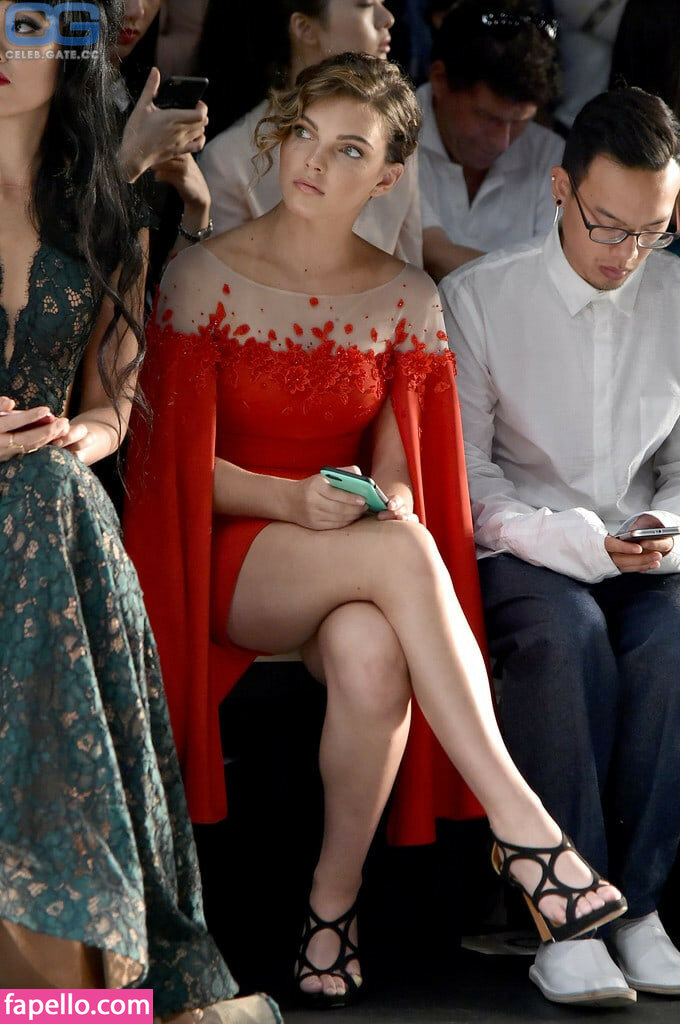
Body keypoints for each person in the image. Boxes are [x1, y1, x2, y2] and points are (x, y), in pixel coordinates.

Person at [124, 51, 626, 1009]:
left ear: (389, 177)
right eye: (304, 134)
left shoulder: (407, 296)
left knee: (371, 650)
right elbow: (167, 473)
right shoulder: (200, 276)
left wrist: (380, 499)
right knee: (400, 556)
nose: (313, 160)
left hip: (351, 559)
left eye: (349, 149)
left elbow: (403, 474)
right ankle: (525, 828)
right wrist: (290, 501)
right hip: (231, 554)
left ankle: (333, 905)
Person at [0, 3, 279, 1021]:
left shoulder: (106, 211)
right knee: (51, 503)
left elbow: (113, 401)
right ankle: (69, 989)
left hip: (50, 503)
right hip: (41, 519)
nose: (3, 48)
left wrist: (84, 437)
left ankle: (61, 991)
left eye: (27, 24)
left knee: (56, 490)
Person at [441, 86, 680, 1007]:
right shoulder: (480, 299)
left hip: (649, 550)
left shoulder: (675, 297)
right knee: (564, 638)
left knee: (671, 645)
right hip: (526, 548)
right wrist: (577, 544)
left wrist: (662, 530)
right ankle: (564, 919)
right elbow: (471, 483)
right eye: (607, 225)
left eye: (653, 230)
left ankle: (640, 909)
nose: (627, 253)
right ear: (559, 189)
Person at [199, 0, 423, 265]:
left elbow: (408, 265)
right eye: (364, 4)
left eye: (352, 150)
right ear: (305, 28)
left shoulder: (392, 138)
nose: (387, 18)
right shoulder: (229, 159)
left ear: (387, 178)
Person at [419, 0, 563, 282]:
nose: (502, 142)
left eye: (519, 122)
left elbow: (556, 277)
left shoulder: (550, 156)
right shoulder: (386, 140)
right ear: (439, 79)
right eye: (486, 117)